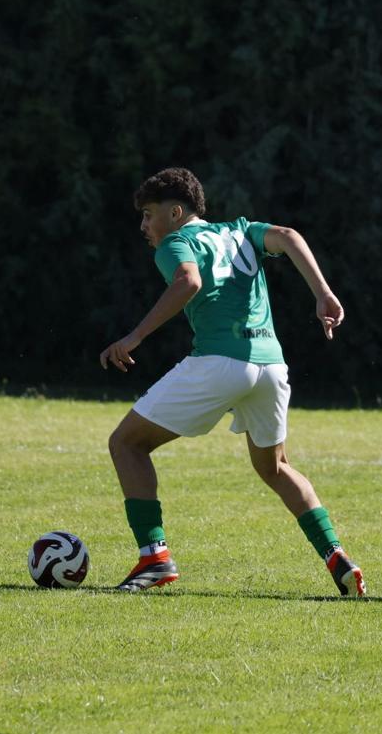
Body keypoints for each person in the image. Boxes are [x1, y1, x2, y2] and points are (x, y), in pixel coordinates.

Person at [100, 167, 366, 597]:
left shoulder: (176, 242)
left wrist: (135, 336)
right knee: (275, 467)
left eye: (149, 214)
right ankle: (337, 556)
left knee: (126, 444)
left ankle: (154, 557)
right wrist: (323, 292)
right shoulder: (240, 231)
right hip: (271, 366)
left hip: (221, 363)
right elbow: (288, 235)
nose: (144, 226)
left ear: (176, 212)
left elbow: (189, 280)